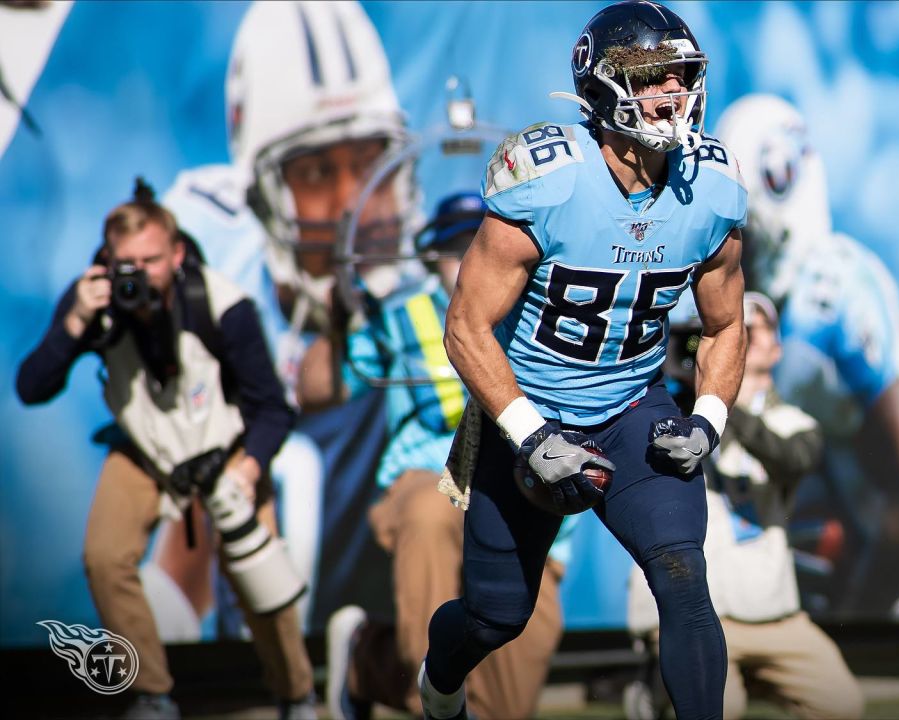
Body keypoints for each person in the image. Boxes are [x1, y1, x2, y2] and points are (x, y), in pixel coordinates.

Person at [420, 2, 748, 719]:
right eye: (651, 75)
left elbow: (727, 327)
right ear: (599, 86)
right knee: (496, 617)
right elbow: (468, 327)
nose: (673, 92)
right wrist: (531, 434)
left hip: (633, 405)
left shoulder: (711, 190)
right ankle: (439, 683)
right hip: (528, 409)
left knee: (682, 572)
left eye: (682, 74)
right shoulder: (549, 178)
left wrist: (709, 420)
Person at [15, 181, 315, 720]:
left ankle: (296, 695)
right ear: (108, 258)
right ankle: (150, 694)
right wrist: (75, 324)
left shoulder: (223, 304)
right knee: (105, 556)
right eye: (124, 261)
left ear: (176, 254)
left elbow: (272, 407)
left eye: (150, 260)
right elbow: (31, 387)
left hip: (223, 448)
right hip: (144, 448)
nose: (137, 274)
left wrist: (248, 470)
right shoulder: (93, 301)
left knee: (260, 574)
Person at [161, 0, 408, 640]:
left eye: (371, 160)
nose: (355, 200)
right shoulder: (205, 248)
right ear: (261, 191)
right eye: (320, 170)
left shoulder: (419, 276)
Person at [714, 93, 899, 621]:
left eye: (746, 236)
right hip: (842, 566)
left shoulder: (832, 298)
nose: (735, 253)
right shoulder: (777, 301)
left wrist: (860, 613)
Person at [309, 192, 563, 720]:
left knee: (520, 668)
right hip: (429, 475)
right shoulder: (400, 315)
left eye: (478, 243)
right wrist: (333, 320)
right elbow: (319, 387)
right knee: (430, 517)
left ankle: (364, 657)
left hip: (522, 485)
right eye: (453, 248)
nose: (467, 258)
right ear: (429, 256)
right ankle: (424, 692)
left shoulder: (542, 316)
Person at [628, 292, 865, 719]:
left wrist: (716, 403)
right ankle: (655, 687)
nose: (739, 338)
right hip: (694, 603)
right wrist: (684, 389)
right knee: (719, 708)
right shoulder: (668, 409)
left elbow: (793, 457)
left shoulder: (794, 423)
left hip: (772, 613)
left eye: (751, 331)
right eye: (728, 329)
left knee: (842, 705)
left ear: (776, 349)